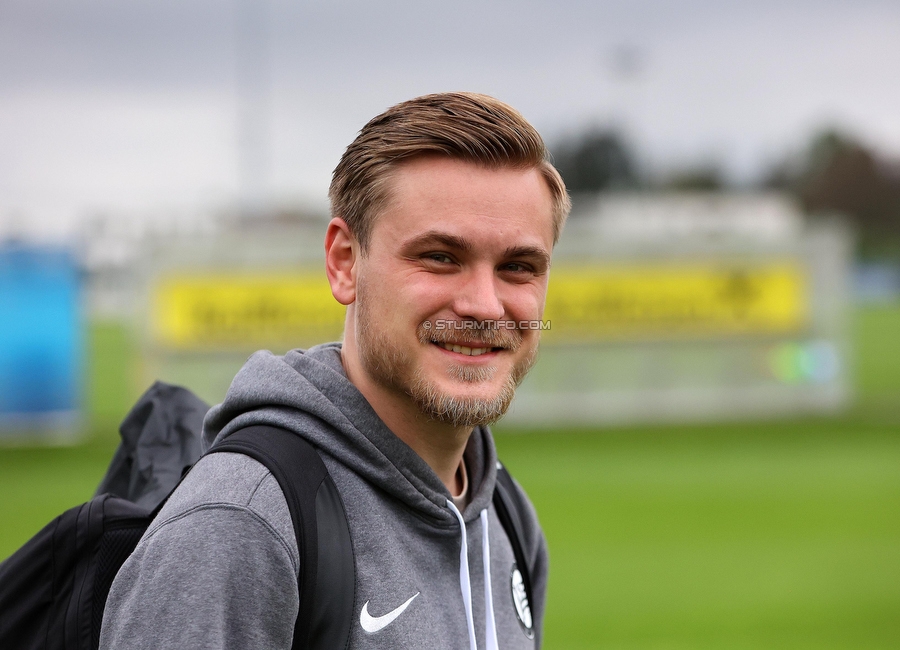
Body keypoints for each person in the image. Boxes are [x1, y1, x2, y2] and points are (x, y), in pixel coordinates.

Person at [99, 92, 571, 649]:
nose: (485, 306)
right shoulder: (240, 524)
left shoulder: (505, 516)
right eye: (441, 257)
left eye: (519, 267)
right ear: (345, 263)